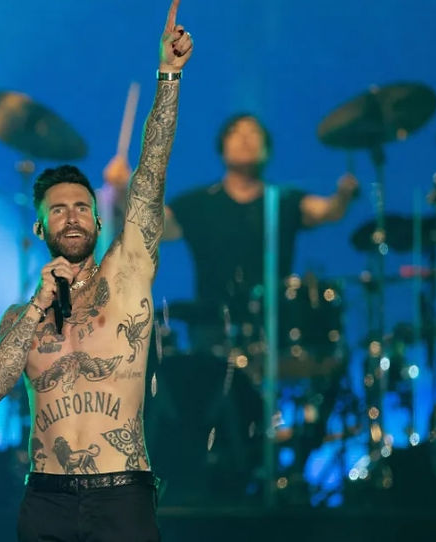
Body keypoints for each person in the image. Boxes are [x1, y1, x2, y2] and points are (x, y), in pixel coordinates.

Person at [0, 1, 193, 539]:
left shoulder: (127, 276)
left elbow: (151, 176)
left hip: (121, 494)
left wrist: (168, 76)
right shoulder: (19, 316)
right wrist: (39, 307)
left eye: (81, 207)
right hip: (45, 498)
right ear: (40, 230)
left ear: (97, 220)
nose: (71, 216)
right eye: (58, 210)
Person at [152, 113, 359, 504]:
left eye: (254, 134)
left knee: (329, 367)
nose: (245, 139)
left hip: (273, 326)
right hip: (212, 329)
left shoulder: (284, 201)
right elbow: (157, 227)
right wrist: (128, 193)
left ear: (267, 149)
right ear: (221, 146)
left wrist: (344, 196)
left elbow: (327, 211)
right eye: (235, 133)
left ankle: (293, 468)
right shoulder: (198, 203)